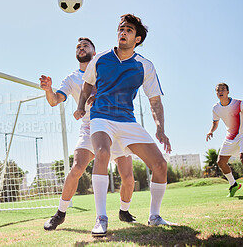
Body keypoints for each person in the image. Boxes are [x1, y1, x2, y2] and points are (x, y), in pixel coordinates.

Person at [74, 14, 175, 237]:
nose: (123, 32)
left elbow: (155, 101)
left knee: (159, 165)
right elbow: (87, 85)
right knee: (101, 153)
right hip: (101, 116)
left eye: (128, 30)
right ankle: (101, 218)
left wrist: (160, 128)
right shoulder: (100, 59)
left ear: (137, 38)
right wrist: (82, 106)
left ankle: (155, 216)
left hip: (127, 120)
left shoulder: (144, 66)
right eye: (121, 28)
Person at [40, 37, 137, 232]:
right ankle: (60, 214)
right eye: (78, 46)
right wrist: (49, 90)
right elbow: (54, 101)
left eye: (85, 45)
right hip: (90, 126)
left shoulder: (106, 68)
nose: (81, 48)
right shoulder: (71, 78)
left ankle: (124, 211)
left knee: (127, 177)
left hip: (115, 123)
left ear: (94, 51)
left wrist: (98, 95)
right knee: (76, 168)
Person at [206, 83, 242, 197]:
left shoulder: (239, 103)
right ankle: (233, 184)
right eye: (218, 90)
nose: (220, 92)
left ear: (228, 92)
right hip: (230, 137)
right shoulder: (216, 108)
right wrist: (211, 131)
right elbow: (215, 123)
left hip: (242, 135)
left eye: (223, 89)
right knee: (221, 162)